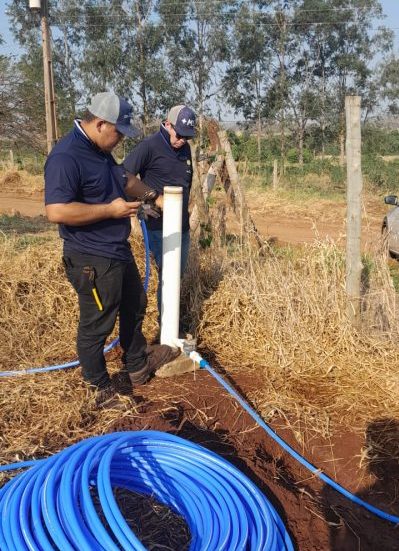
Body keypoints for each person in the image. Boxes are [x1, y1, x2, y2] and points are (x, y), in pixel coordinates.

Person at [44, 92, 179, 407]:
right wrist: (111, 210)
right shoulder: (66, 157)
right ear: (101, 123)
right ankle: (99, 388)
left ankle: (137, 366)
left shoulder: (100, 149)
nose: (120, 139)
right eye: (118, 132)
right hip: (90, 258)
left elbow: (122, 176)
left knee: (135, 303)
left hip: (115, 251)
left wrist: (152, 197)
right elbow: (57, 212)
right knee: (97, 323)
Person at [123, 105, 196, 329]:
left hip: (180, 226)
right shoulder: (149, 146)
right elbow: (123, 175)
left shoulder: (185, 149)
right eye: (179, 134)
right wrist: (144, 203)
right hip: (157, 224)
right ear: (167, 124)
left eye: (187, 136)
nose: (182, 140)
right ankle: (166, 328)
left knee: (177, 276)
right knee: (168, 275)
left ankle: (173, 323)